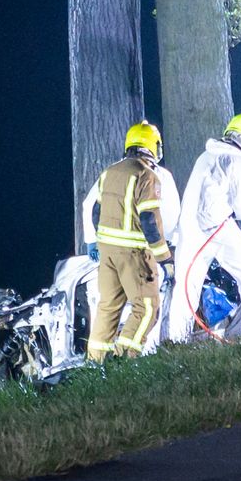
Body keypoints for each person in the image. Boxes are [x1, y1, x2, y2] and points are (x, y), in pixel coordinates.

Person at [167, 113, 241, 342]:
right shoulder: (239, 160)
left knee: (186, 286)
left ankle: (176, 341)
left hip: (189, 228)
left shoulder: (206, 155)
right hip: (217, 227)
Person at [86, 122, 174, 361]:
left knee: (108, 307)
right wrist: (165, 258)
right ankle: (124, 360)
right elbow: (150, 221)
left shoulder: (109, 172)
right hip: (133, 253)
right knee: (147, 308)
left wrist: (103, 240)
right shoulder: (147, 175)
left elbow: (96, 212)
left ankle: (95, 363)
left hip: (108, 252)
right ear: (152, 146)